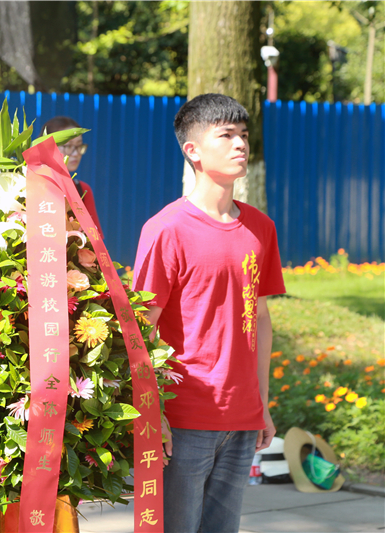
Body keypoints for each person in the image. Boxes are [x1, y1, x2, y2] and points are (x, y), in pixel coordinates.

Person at [132, 93, 285, 533]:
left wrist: (262, 403)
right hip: (184, 417)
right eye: (226, 135)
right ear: (193, 150)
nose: (240, 144)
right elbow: (142, 328)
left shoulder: (260, 227)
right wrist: (151, 412)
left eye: (244, 135)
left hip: (242, 416)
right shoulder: (167, 229)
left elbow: (261, 319)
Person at [41, 116, 103, 237]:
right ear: (49, 147)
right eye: (68, 146)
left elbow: (95, 239)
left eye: (79, 146)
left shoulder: (83, 189)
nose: (76, 153)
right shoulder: (29, 186)